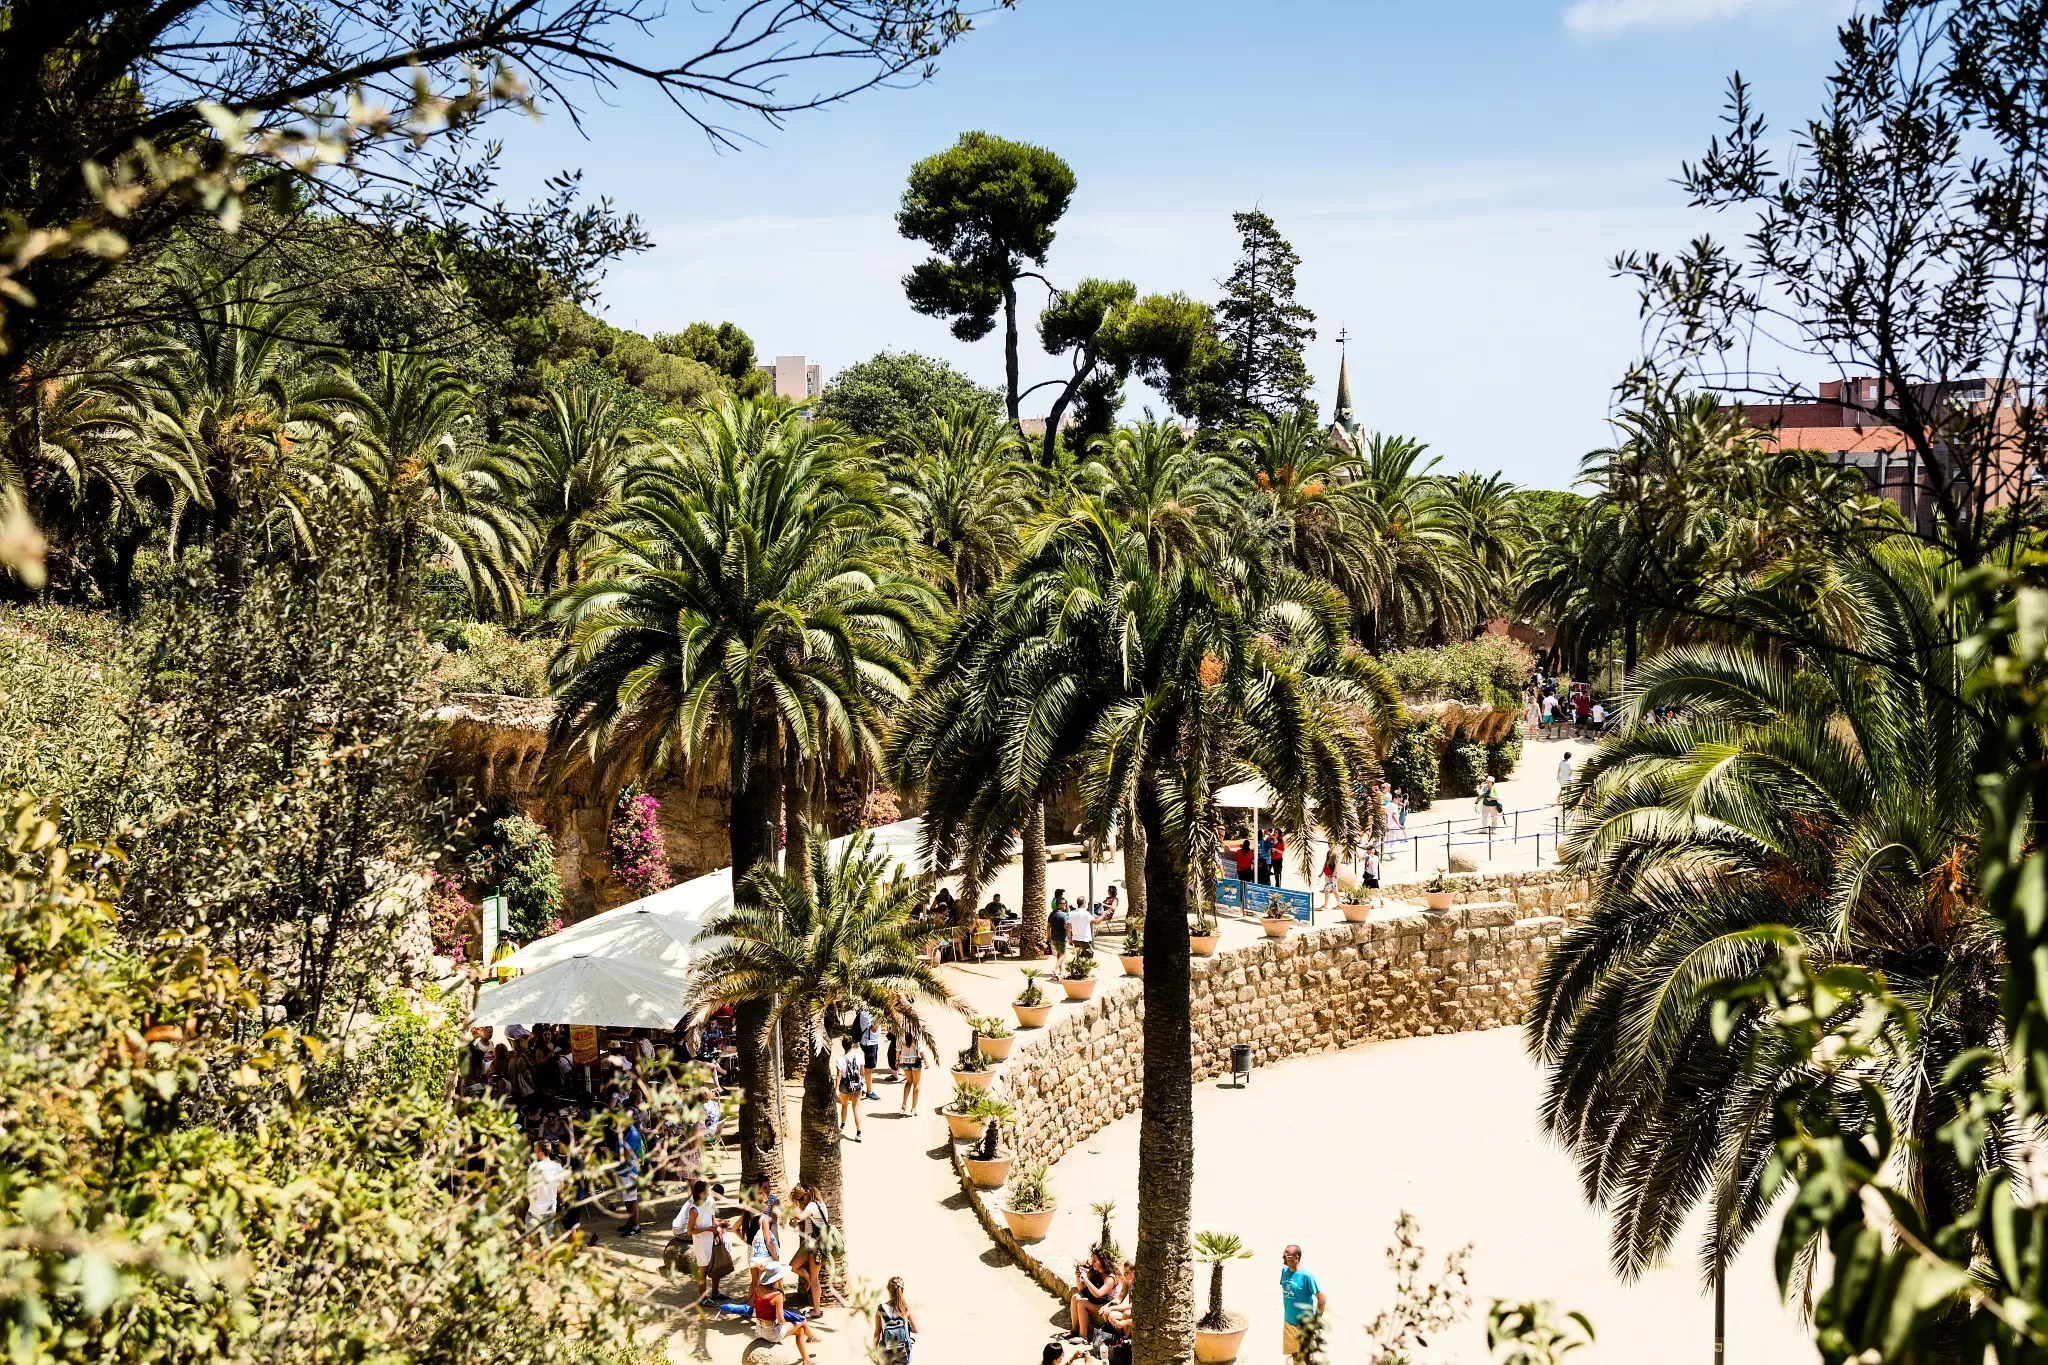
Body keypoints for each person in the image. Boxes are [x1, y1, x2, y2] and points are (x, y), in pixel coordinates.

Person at [753, 1263, 817, 1362]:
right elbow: (781, 1320)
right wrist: (787, 1321)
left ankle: (807, 1359)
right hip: (772, 1333)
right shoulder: (777, 1295)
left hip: (759, 1329)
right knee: (802, 1320)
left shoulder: (758, 1288)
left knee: (800, 1331)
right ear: (778, 1278)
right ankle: (812, 1337)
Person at [672, 1177, 720, 1292]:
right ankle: (703, 1297)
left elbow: (712, 1219)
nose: (707, 1194)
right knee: (703, 1270)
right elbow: (690, 1231)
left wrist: (717, 1230)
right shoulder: (694, 1210)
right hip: (701, 1242)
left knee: (710, 1267)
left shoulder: (709, 1202)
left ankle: (714, 1293)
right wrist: (707, 1229)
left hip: (709, 1239)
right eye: (705, 1192)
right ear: (699, 1193)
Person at [1279, 1244, 1327, 1359]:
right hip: (1288, 1323)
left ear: (1296, 1258)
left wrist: (1315, 1321)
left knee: (1305, 1358)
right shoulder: (1284, 1271)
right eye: (1284, 1254)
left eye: (1287, 1255)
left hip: (1303, 1326)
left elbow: (1322, 1298)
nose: (1284, 1257)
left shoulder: (1307, 1276)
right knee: (1295, 1357)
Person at [788, 1185, 830, 1311]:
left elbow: (800, 1217)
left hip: (818, 1245)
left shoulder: (812, 1205)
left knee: (814, 1278)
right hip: (809, 1243)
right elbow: (807, 1226)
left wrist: (791, 1216)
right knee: (793, 1266)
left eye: (802, 1198)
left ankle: (817, 1310)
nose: (801, 1202)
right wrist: (796, 1224)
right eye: (798, 1200)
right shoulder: (812, 1205)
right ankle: (807, 1278)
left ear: (808, 1193)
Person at [613, 1108, 645, 1237]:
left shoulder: (633, 1134)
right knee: (627, 1199)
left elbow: (624, 1156)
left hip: (629, 1171)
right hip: (622, 1171)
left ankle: (636, 1227)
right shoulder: (625, 1131)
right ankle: (631, 1222)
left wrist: (609, 1153)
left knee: (632, 1199)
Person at [1071, 1250, 1116, 1338]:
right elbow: (1081, 1288)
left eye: (1095, 1261)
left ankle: (1083, 1337)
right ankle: (1074, 1330)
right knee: (1075, 1298)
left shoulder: (1110, 1278)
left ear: (1102, 1261)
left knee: (1082, 1303)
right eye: (1092, 1261)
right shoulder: (1096, 1272)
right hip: (1097, 1300)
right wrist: (1078, 1276)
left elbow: (1098, 1294)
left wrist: (1086, 1279)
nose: (1092, 1263)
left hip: (1107, 1305)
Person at [525, 1141, 566, 1238]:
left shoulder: (533, 1167)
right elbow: (560, 1189)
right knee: (547, 1239)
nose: (533, 1153)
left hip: (535, 1209)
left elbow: (529, 1190)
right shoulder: (557, 1166)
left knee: (531, 1240)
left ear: (541, 1153)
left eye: (535, 1151)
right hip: (550, 1209)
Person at [874, 1275, 918, 1361]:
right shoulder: (906, 1308)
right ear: (902, 1290)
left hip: (887, 1355)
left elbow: (877, 1333)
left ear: (888, 1290)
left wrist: (875, 1353)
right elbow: (916, 1330)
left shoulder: (881, 1309)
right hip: (904, 1354)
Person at [836, 1034, 865, 1141]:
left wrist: (836, 1089)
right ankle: (859, 1133)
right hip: (857, 1085)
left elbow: (838, 1075)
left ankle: (842, 1125)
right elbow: (862, 1072)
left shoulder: (840, 1059)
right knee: (856, 1108)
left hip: (845, 1085)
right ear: (852, 1045)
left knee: (844, 1105)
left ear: (843, 1046)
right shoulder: (859, 1056)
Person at [899, 1024, 925, 1115]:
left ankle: (904, 1104)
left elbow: (898, 1048)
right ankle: (913, 1108)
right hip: (915, 1061)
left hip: (904, 1061)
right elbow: (920, 1048)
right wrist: (926, 1060)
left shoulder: (901, 1031)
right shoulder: (916, 1030)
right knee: (916, 1084)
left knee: (908, 1082)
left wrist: (897, 1060)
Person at [858, 1009, 884, 1101]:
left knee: (867, 1068)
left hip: (871, 1042)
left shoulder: (870, 1011)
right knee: (869, 1069)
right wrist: (880, 1018)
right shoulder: (866, 1014)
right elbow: (873, 1029)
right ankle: (869, 1092)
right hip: (869, 1043)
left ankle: (860, 1087)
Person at [1048, 890, 1068, 956]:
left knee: (1058, 953)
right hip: (1061, 919)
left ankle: (1059, 963)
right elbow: (1066, 910)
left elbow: (1048, 926)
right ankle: (1058, 963)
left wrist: (1048, 936)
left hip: (1054, 921)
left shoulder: (1053, 901)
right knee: (1062, 954)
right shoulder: (1061, 901)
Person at [1319, 847, 1339, 911]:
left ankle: (1325, 905)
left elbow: (1336, 866)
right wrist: (1322, 872)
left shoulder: (1335, 854)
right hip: (1328, 874)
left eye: (1331, 843)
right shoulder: (1328, 852)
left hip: (1332, 875)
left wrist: (1333, 876)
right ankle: (1340, 904)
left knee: (1327, 890)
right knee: (1335, 890)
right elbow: (1326, 862)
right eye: (1329, 843)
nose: (1330, 845)